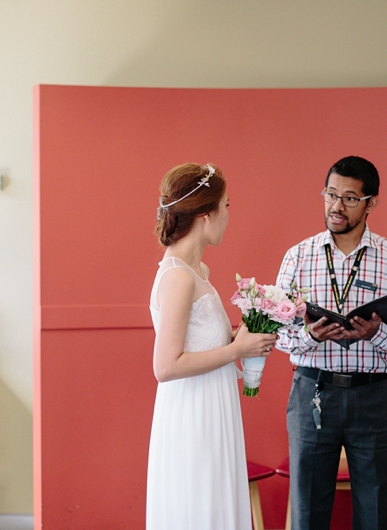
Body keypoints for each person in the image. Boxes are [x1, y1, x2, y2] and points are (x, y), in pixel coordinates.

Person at [273, 156, 387, 530]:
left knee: (375, 513)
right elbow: (275, 332)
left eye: (350, 198)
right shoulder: (298, 256)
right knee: (307, 513)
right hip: (313, 392)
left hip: (372, 399)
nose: (336, 206)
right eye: (331, 194)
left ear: (371, 203)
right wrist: (310, 335)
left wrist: (378, 333)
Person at [145, 162, 276, 530]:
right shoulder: (178, 278)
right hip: (192, 415)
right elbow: (166, 366)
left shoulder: (198, 272)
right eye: (226, 206)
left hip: (213, 405)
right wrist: (238, 350)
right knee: (199, 508)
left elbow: (199, 343)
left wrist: (242, 338)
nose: (228, 216)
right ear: (205, 214)